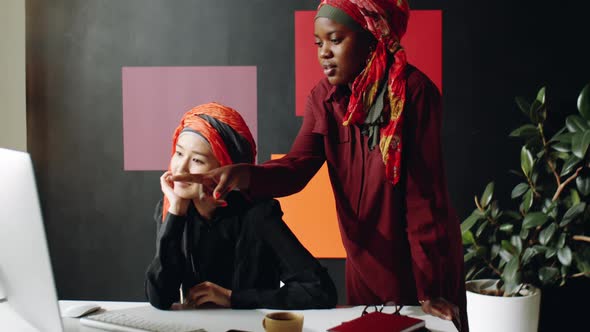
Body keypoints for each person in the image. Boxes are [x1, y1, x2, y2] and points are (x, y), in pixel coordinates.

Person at [173, 1, 467, 330]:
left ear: (372, 37)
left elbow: (422, 200)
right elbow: (296, 168)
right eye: (319, 43)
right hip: (365, 261)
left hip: (423, 264)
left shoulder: (414, 93)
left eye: (335, 40)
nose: (324, 52)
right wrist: (243, 175)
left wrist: (432, 289)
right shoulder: (323, 99)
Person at [145, 102, 338, 310]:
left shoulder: (257, 215)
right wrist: (175, 212)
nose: (180, 169)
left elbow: (320, 291)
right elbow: (160, 298)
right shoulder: (173, 209)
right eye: (179, 153)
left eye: (198, 161)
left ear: (224, 169)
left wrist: (233, 297)